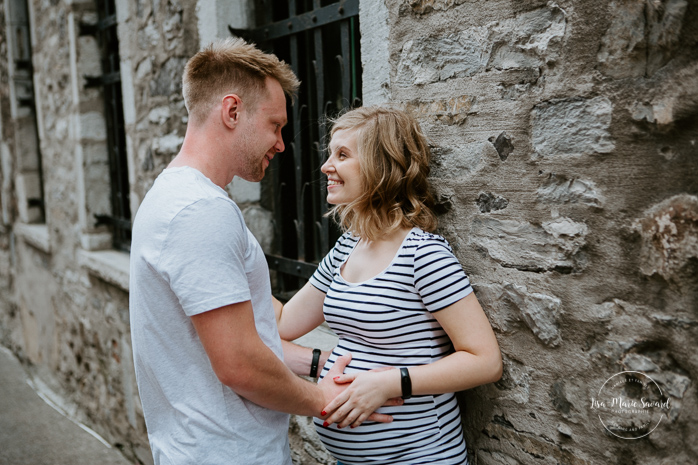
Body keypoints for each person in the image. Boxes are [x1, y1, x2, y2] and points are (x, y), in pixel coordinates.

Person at [129, 39, 394, 465]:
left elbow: (242, 332)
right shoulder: (200, 212)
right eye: (275, 125)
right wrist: (322, 398)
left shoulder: (172, 197)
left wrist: (320, 362)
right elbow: (238, 363)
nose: (281, 144)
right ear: (232, 112)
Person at [276, 106, 503, 464]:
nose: (326, 166)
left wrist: (388, 383)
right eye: (330, 153)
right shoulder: (348, 246)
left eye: (343, 154)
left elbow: (485, 361)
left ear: (380, 166)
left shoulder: (422, 255)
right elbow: (282, 323)